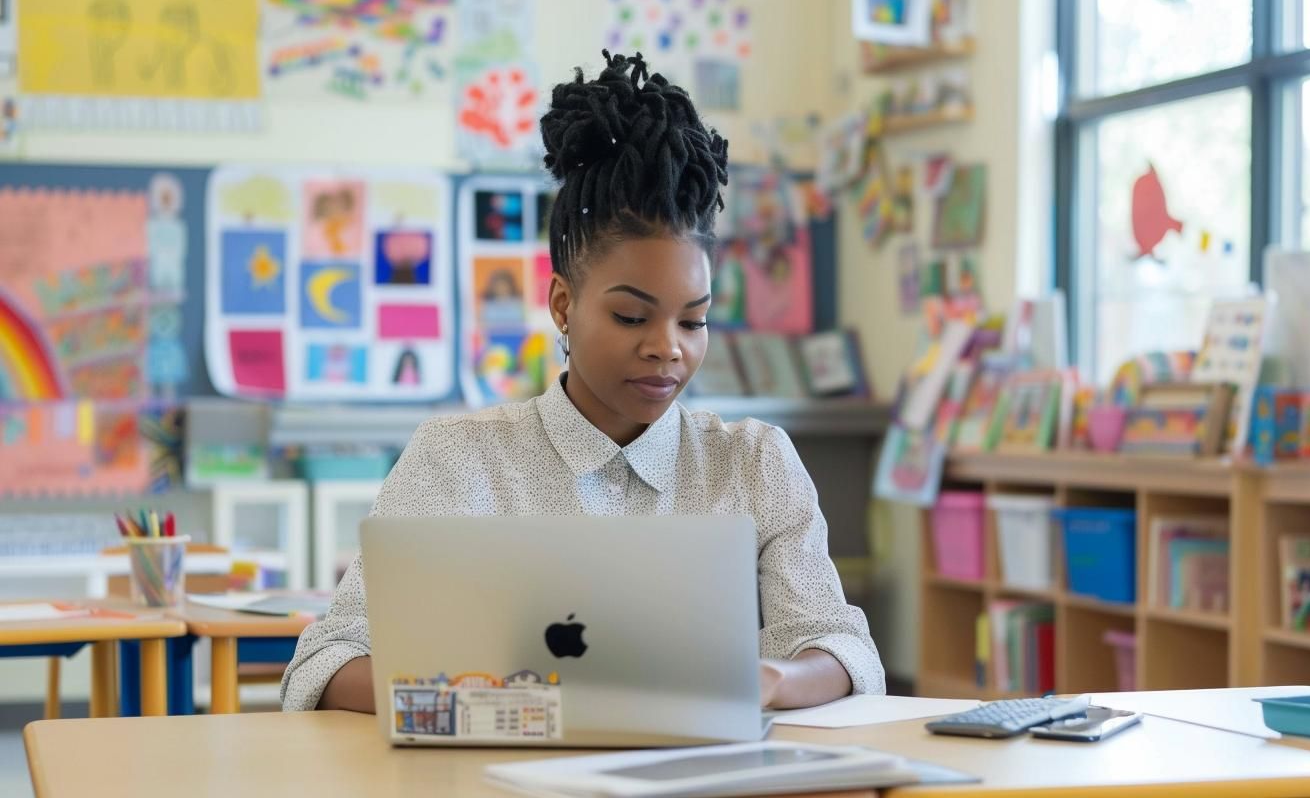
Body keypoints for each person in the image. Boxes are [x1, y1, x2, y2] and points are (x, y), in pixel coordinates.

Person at [281, 50, 884, 714]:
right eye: (631, 316)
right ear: (563, 305)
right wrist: (488, 706)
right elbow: (329, 658)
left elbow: (839, 646)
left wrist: (769, 681)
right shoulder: (456, 459)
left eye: (694, 320)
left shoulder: (754, 463)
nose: (667, 349)